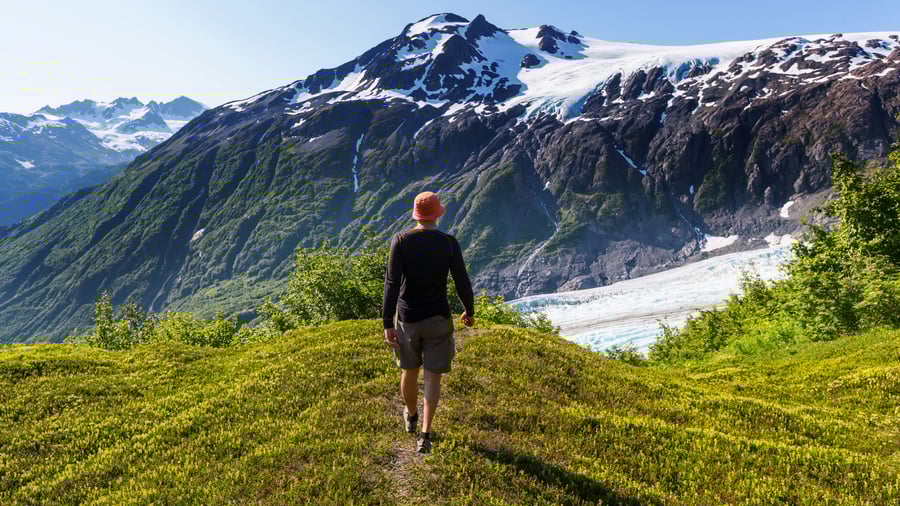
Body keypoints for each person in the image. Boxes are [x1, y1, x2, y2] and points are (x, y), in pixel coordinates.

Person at [383, 191, 475, 454]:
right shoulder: (449, 243)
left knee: (408, 371)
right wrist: (469, 309)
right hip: (438, 318)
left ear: (415, 214)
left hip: (408, 319)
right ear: (438, 214)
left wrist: (387, 322)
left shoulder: (400, 241)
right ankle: (425, 433)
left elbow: (391, 284)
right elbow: (461, 280)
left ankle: (411, 416)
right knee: (433, 377)